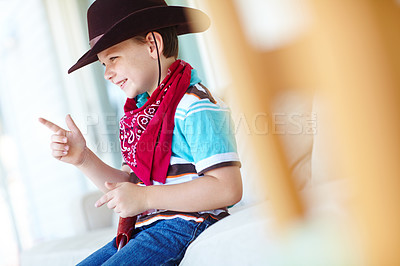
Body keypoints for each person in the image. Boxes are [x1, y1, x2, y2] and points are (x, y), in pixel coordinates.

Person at [39, 0, 242, 265]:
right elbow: (129, 187)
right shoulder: (139, 117)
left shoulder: (195, 104)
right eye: (103, 64)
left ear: (152, 45)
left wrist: (145, 197)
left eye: (113, 58)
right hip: (145, 228)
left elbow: (228, 189)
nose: (107, 74)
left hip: (182, 225)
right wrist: (83, 158)